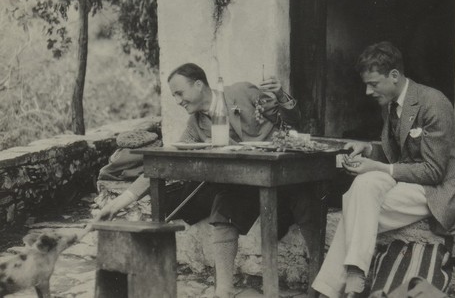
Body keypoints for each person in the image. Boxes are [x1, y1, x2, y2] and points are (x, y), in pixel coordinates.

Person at [94, 63, 315, 298]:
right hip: (249, 184)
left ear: (198, 85)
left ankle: (317, 285)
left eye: (179, 93)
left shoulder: (243, 92)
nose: (178, 101)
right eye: (174, 96)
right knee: (223, 209)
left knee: (308, 205)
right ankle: (224, 292)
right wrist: (117, 204)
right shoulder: (196, 125)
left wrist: (281, 95)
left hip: (288, 176)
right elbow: (166, 162)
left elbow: (293, 122)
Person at [311, 42, 455, 297]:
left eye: (373, 84)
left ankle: (331, 289)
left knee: (356, 203)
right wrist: (369, 150)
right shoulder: (391, 105)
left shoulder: (433, 103)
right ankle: (352, 278)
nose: (367, 91)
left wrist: (378, 167)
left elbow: (434, 172)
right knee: (362, 188)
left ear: (394, 76)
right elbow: (399, 154)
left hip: (436, 190)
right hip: (407, 182)